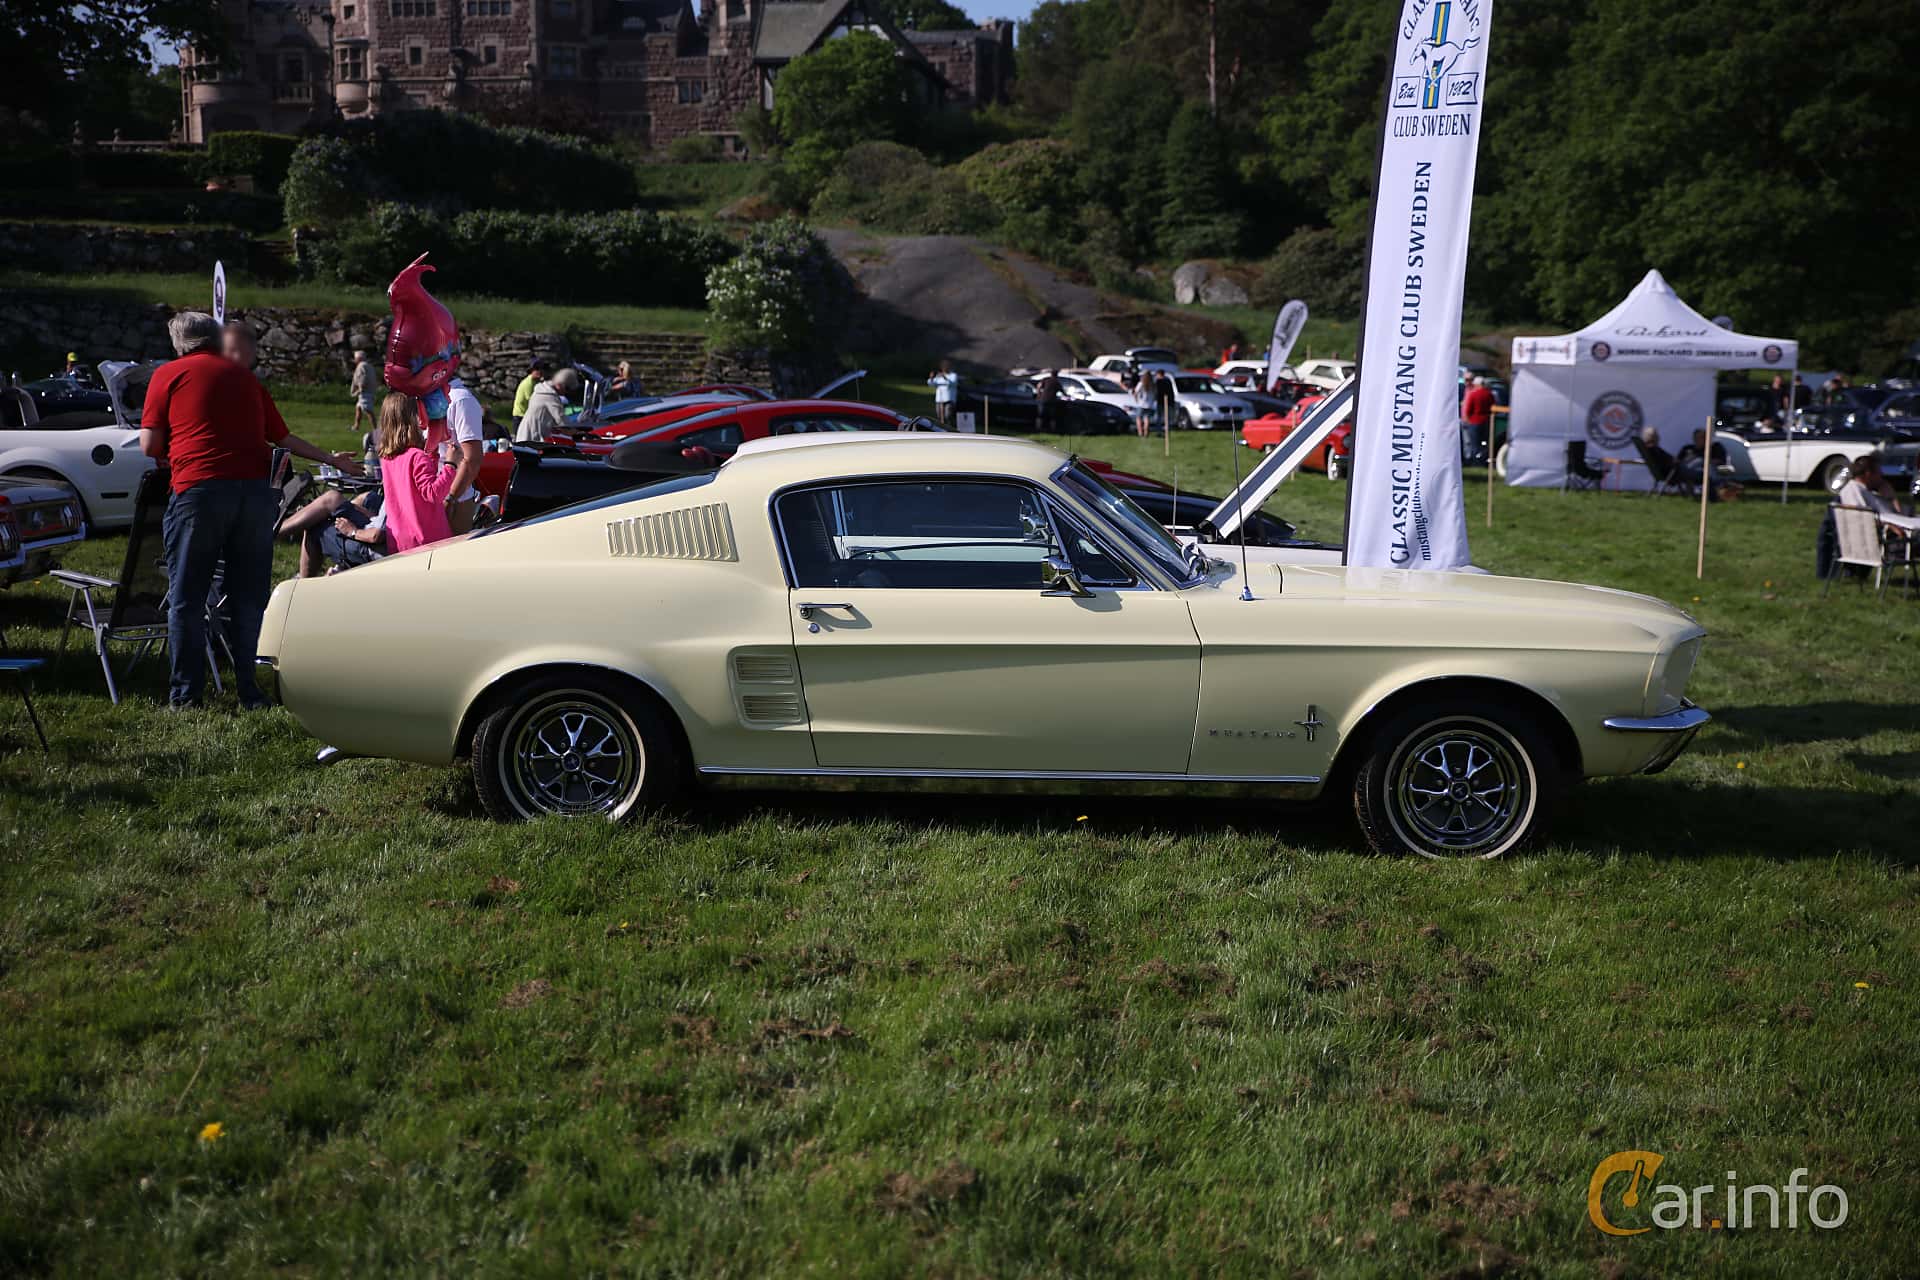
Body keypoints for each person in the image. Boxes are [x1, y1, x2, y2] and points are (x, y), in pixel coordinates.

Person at [140, 311, 359, 709]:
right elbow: (282, 437)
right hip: (255, 496)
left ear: (179, 343)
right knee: (246, 597)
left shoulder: (168, 375)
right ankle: (249, 689)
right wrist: (333, 459)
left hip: (200, 492)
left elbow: (149, 445)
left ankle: (186, 695)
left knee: (187, 597)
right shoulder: (246, 379)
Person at [377, 391, 460, 554]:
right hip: (428, 542)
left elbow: (412, 486)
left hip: (399, 539)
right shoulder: (416, 456)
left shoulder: (387, 458)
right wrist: (451, 464)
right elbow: (434, 494)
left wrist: (433, 455)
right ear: (414, 418)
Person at [1674, 428, 1742, 501]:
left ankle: (1721, 486)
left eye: (1702, 437)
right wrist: (1689, 459)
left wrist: (1706, 461)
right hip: (1692, 472)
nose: (1699, 440)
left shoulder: (1715, 447)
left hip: (1709, 471)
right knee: (1697, 462)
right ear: (1693, 439)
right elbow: (1678, 462)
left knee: (1706, 464)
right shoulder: (1688, 449)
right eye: (1697, 438)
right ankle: (1723, 485)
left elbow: (1721, 461)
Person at [517, 367, 579, 443]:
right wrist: (576, 432)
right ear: (560, 384)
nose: (567, 392)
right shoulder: (549, 396)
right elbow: (561, 420)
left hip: (526, 434)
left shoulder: (541, 390)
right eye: (567, 388)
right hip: (531, 438)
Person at [1460, 375, 1495, 464]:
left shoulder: (1474, 394)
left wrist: (1468, 420)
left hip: (1474, 422)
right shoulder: (1489, 394)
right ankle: (1483, 460)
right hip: (1486, 422)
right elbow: (1493, 407)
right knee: (1483, 443)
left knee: (1474, 444)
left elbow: (1468, 410)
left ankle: (1476, 461)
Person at [512, 358, 550, 427]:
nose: (540, 371)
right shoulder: (528, 383)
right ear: (532, 370)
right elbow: (532, 401)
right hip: (520, 416)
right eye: (537, 369)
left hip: (527, 416)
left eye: (541, 369)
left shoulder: (537, 382)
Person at [926, 360, 959, 427]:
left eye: (946, 367)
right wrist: (931, 378)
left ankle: (950, 428)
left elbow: (952, 383)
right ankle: (941, 430)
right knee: (939, 416)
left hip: (949, 399)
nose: (945, 368)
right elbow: (931, 384)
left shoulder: (953, 375)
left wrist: (944, 377)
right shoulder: (939, 376)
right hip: (939, 399)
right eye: (943, 367)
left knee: (948, 416)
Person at [349, 349, 375, 433]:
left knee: (368, 410)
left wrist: (360, 388)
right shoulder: (368, 365)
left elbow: (362, 378)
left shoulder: (362, 366)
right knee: (359, 408)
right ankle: (356, 426)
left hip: (365, 392)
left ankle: (375, 429)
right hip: (368, 391)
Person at [1130, 368, 1155, 438]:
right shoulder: (1152, 384)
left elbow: (1135, 392)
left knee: (1138, 418)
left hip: (1141, 404)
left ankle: (1140, 432)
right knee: (1146, 418)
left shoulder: (1141, 383)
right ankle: (1146, 432)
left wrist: (1136, 400)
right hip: (1149, 404)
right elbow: (1154, 394)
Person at [1035, 369, 1061, 433]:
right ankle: (1052, 430)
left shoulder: (1046, 379)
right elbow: (1062, 391)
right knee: (1052, 417)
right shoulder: (1057, 382)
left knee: (1040, 415)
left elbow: (1038, 386)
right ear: (1057, 375)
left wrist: (1038, 394)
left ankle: (1038, 429)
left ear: (1051, 374)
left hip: (1043, 399)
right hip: (1052, 401)